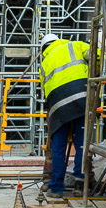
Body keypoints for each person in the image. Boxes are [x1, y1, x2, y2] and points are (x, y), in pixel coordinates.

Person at [39, 32, 92, 195]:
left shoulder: (44, 64)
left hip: (57, 106)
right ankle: (80, 183)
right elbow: (97, 53)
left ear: (43, 50)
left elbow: (45, 90)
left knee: (58, 146)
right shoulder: (75, 45)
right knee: (82, 143)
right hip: (81, 99)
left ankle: (56, 187)